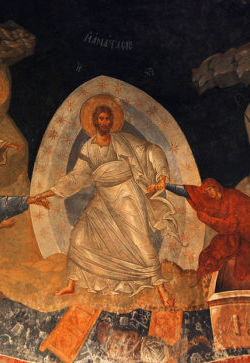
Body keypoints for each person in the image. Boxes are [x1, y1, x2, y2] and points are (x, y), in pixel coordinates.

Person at [33, 94, 180, 307]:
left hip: (126, 193)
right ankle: (72, 284)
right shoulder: (88, 148)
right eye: (100, 118)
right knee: (79, 236)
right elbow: (75, 177)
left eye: (107, 119)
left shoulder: (122, 140)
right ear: (94, 121)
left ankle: (162, 291)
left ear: (112, 121)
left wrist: (162, 176)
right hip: (103, 197)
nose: (104, 122)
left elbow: (149, 150)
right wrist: (46, 194)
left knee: (140, 241)